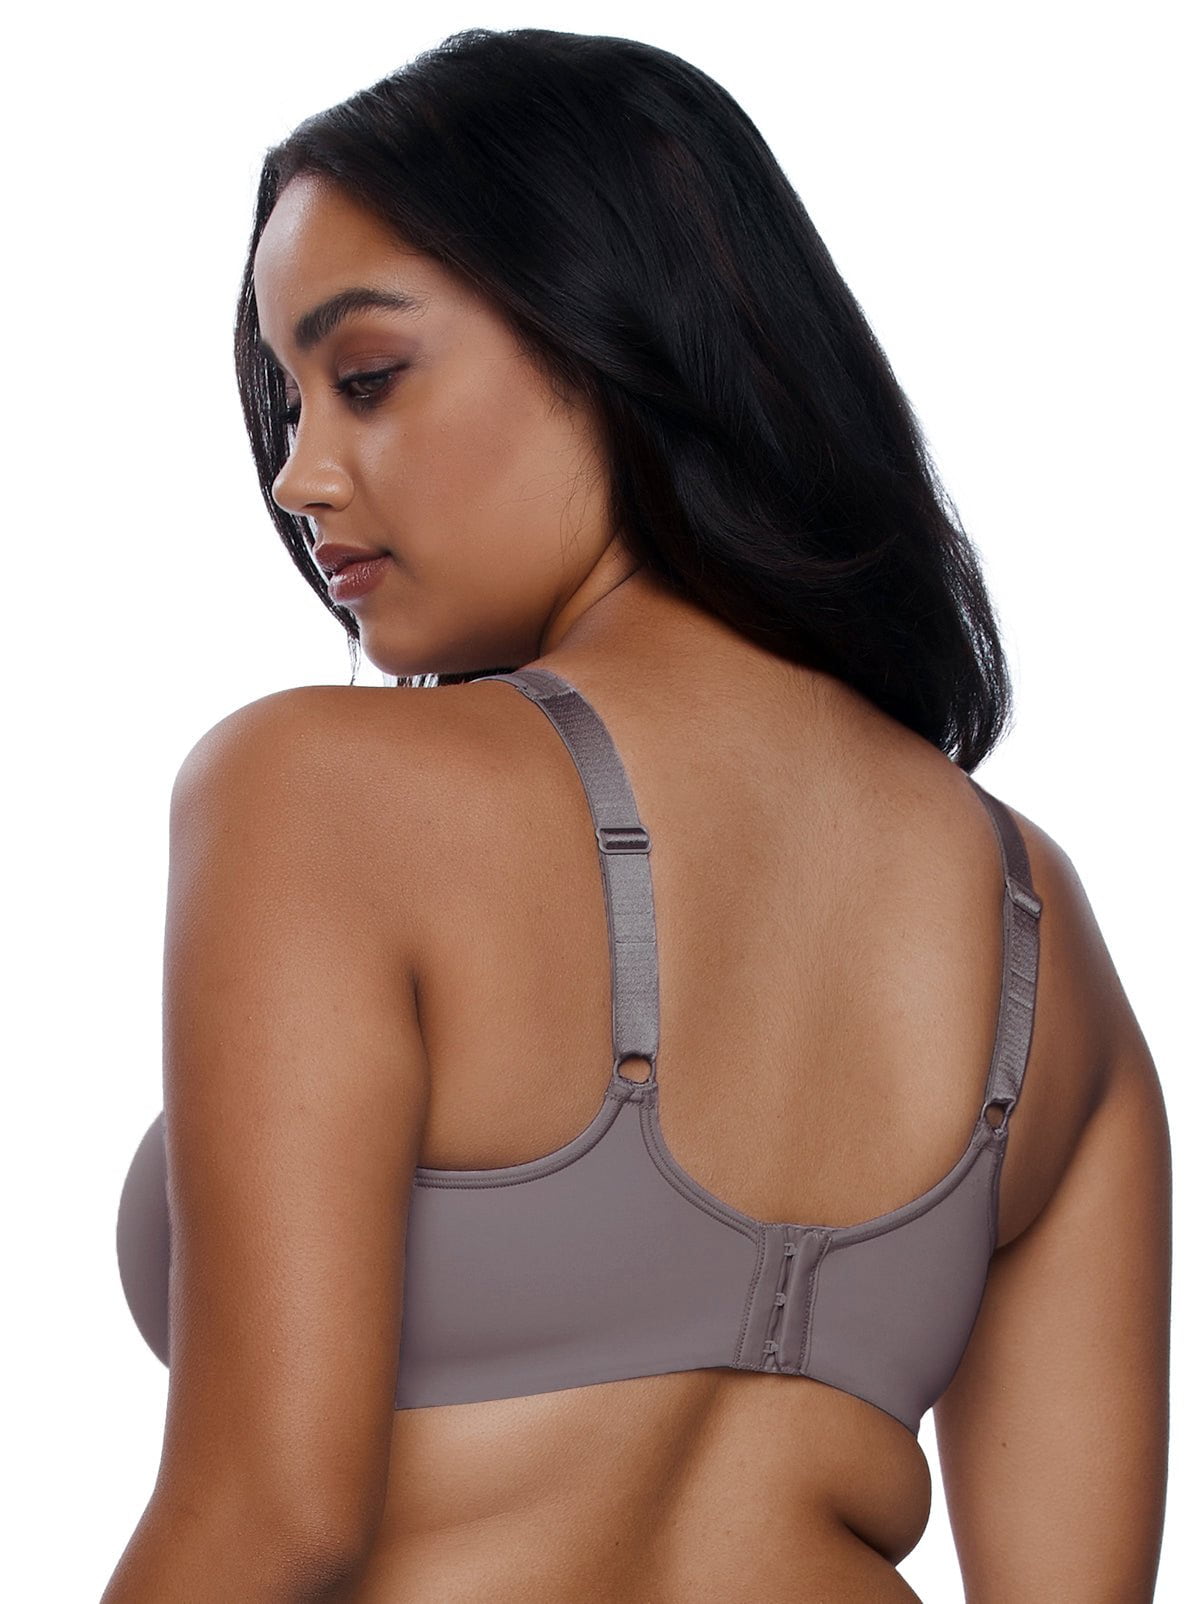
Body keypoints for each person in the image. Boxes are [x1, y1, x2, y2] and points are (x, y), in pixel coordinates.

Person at [104, 26, 1171, 1604]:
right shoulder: (1038, 930)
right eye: (289, 404)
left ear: (616, 330)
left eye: (367, 379)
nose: (298, 475)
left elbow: (268, 1516)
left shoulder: (322, 791)